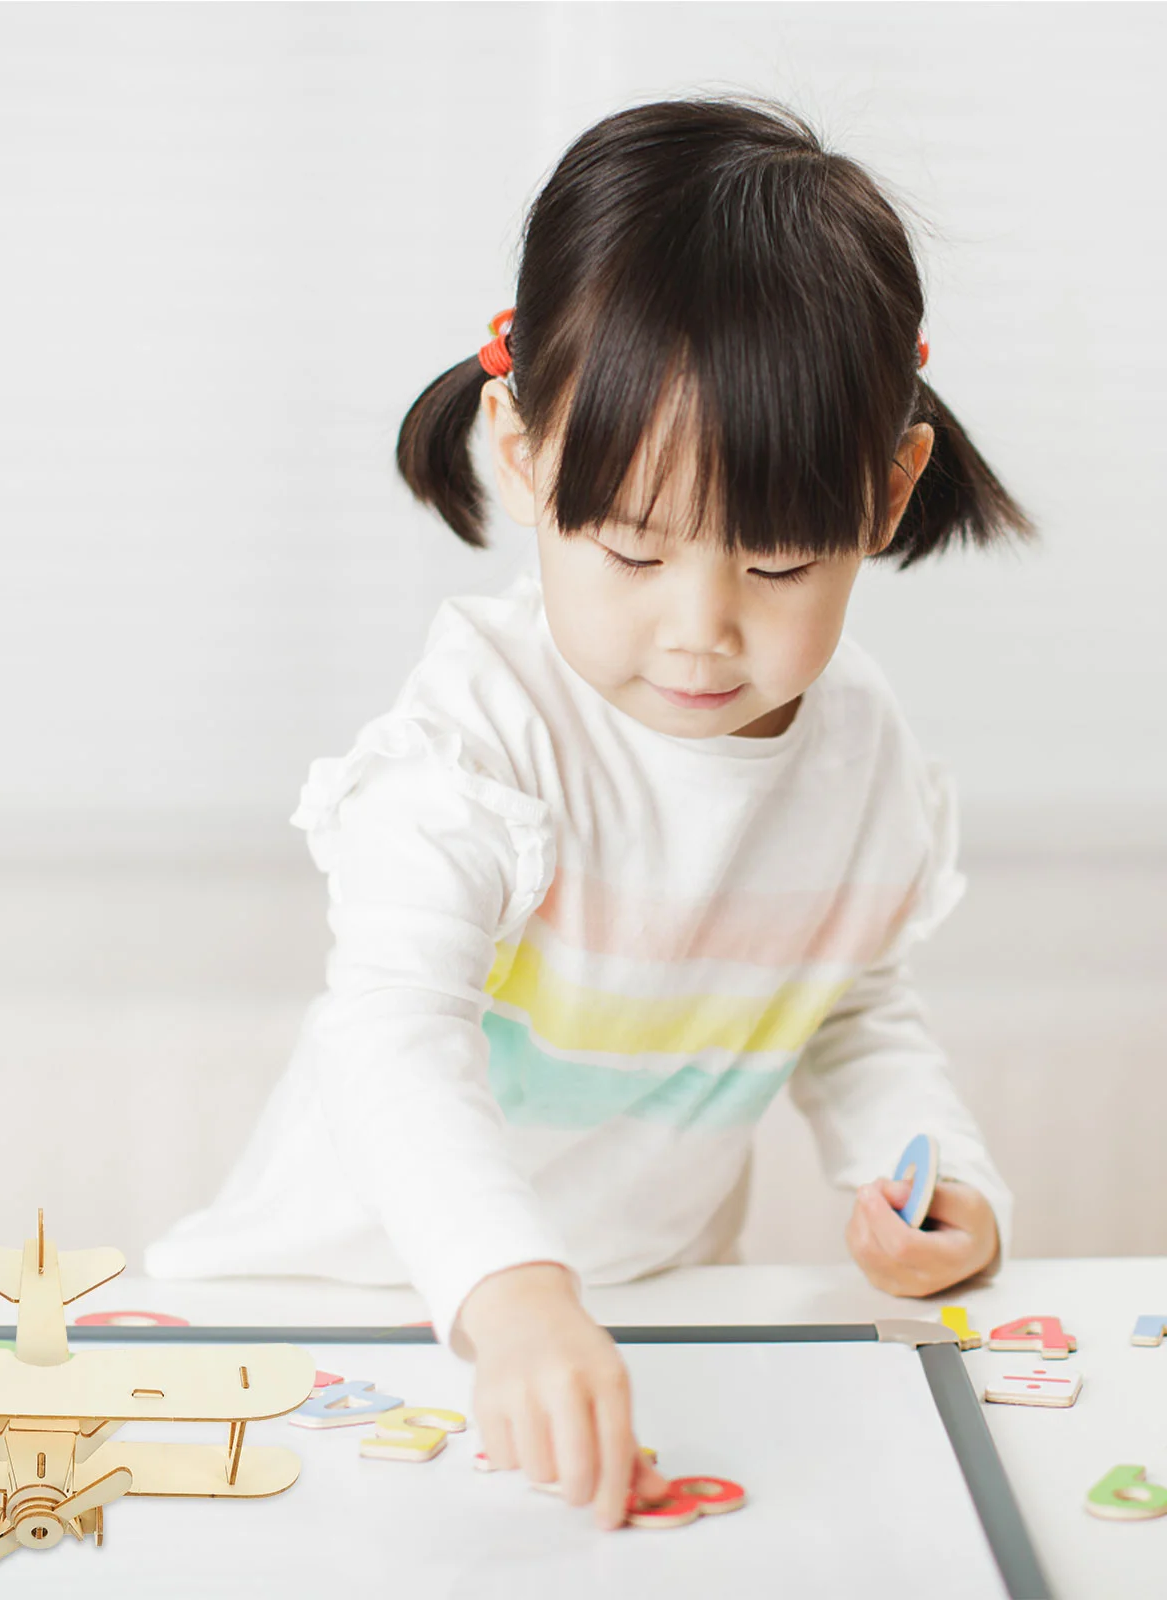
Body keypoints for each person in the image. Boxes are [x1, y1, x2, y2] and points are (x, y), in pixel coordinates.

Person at [146, 96, 1030, 1531]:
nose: (701, 634)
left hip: (646, 1326)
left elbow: (848, 1006)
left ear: (889, 493)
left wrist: (938, 1187)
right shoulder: (477, 739)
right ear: (523, 449)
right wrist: (512, 1296)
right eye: (631, 550)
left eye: (783, 566)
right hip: (343, 1320)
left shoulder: (859, 746)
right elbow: (394, 1027)